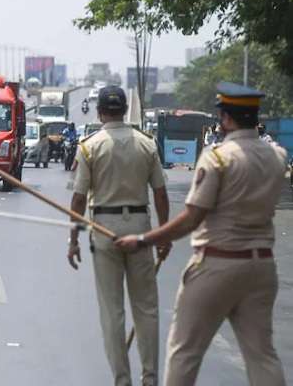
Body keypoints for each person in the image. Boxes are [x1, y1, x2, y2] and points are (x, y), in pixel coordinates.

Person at [115, 82, 288, 386]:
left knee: (185, 352)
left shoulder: (217, 158)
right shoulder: (277, 157)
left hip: (217, 266)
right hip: (262, 267)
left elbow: (193, 217)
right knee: (262, 355)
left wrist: (145, 240)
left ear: (226, 119)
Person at [68, 86, 170, 386]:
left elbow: (78, 200)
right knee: (146, 309)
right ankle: (150, 378)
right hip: (140, 228)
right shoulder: (147, 144)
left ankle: (122, 380)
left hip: (103, 230)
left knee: (112, 312)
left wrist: (73, 239)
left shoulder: (90, 146)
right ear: (125, 110)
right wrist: (163, 235)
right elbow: (161, 195)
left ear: (99, 112)